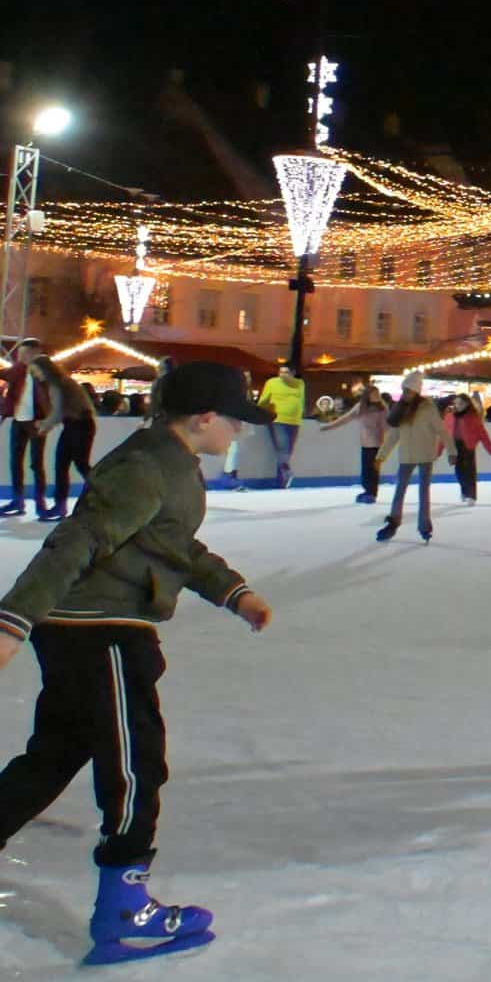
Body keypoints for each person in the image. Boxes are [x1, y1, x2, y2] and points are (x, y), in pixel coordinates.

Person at [0, 361, 274, 966]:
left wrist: (233, 592)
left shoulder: (167, 465)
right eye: (235, 422)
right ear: (204, 418)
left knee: (57, 753)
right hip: (103, 632)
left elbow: (173, 545)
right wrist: (13, 620)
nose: (237, 434)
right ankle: (125, 906)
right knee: (134, 760)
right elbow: (77, 539)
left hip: (90, 627)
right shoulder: (148, 467)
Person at [376, 375, 448, 543]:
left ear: (416, 391)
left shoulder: (428, 409)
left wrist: (452, 451)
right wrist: (381, 456)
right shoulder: (401, 409)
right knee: (399, 489)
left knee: (424, 492)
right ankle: (393, 522)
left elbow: (442, 431)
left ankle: (424, 527)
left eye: (408, 390)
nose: (405, 393)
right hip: (407, 457)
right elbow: (394, 435)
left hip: (425, 456)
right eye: (404, 390)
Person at [33, 354, 96, 522]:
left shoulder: (57, 384)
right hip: (77, 425)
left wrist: (44, 426)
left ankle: (102, 496)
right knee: (63, 465)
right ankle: (60, 506)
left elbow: (58, 412)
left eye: (36, 371)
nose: (35, 374)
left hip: (79, 426)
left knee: (79, 464)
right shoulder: (62, 382)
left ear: (45, 369)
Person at [1, 338, 51, 518]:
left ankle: (40, 503)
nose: (20, 357)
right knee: (16, 462)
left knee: (36, 464)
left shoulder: (46, 372)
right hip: (19, 421)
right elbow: (5, 375)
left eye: (24, 353)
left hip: (37, 422)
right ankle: (18, 501)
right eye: (20, 354)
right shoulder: (18, 370)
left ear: (35, 352)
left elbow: (53, 396)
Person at [325, 383, 391, 503]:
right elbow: (345, 418)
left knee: (373, 470)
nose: (377, 396)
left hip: (376, 444)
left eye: (378, 393)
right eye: (374, 394)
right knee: (366, 470)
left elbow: (387, 426)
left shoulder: (382, 408)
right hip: (365, 444)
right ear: (368, 395)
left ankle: (371, 493)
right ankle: (369, 492)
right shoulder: (361, 407)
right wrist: (329, 426)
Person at [256, 362, 307, 490]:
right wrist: (257, 413)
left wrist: (301, 415)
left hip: (294, 421)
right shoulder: (272, 383)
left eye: (285, 372)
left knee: (288, 450)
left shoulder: (300, 384)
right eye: (280, 372)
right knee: (282, 447)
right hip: (277, 419)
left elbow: (301, 401)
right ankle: (286, 472)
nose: (282, 375)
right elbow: (264, 400)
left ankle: (281, 480)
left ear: (293, 373)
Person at [445, 393, 491, 504]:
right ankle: (464, 491)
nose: (457, 405)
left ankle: (471, 495)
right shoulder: (449, 416)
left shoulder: (473, 417)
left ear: (467, 404)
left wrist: (489, 448)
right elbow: (444, 434)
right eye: (456, 403)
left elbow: (482, 433)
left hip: (468, 446)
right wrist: (437, 450)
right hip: (454, 446)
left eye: (460, 403)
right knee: (459, 471)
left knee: (469, 471)